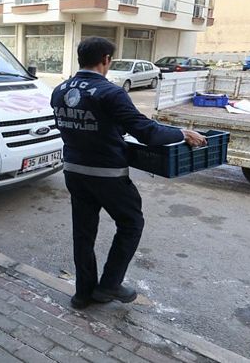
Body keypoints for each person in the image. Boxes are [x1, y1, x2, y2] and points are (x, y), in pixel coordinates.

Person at [51, 37, 207, 309]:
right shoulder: (109, 92)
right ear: (106, 60)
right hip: (107, 175)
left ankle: (83, 293)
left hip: (74, 171)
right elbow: (145, 131)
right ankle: (109, 285)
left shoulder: (60, 90)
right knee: (131, 223)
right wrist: (181, 133)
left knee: (83, 233)